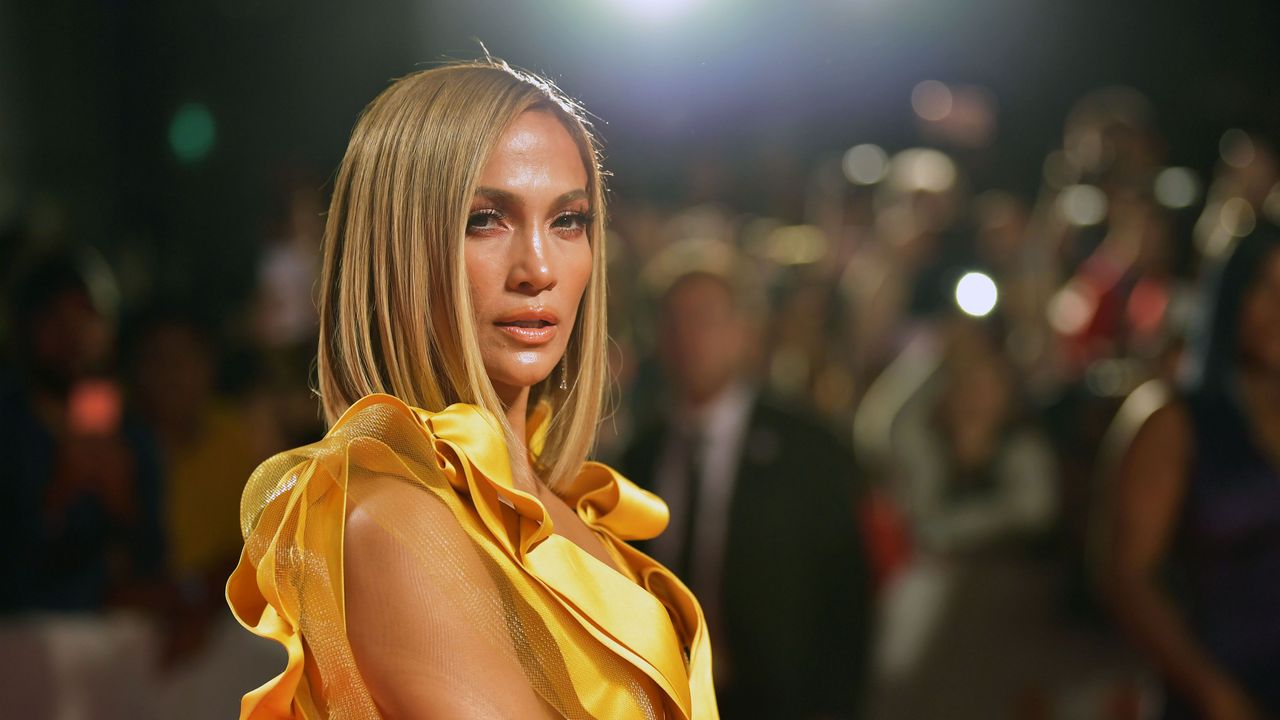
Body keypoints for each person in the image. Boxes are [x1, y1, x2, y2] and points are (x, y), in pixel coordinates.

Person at [227, 60, 719, 719]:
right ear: (398, 245)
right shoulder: (393, 520)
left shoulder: (561, 504)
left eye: (568, 221)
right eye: (487, 219)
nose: (538, 268)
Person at [620, 261, 872, 719]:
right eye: (674, 320)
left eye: (706, 318)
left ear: (742, 332)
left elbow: (846, 600)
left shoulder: (806, 450)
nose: (689, 336)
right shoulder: (640, 455)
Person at [1103, 225, 1280, 719]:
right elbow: (1129, 575)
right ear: (1230, 300)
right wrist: (1211, 691)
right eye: (1263, 289)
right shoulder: (1174, 422)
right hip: (1219, 689)